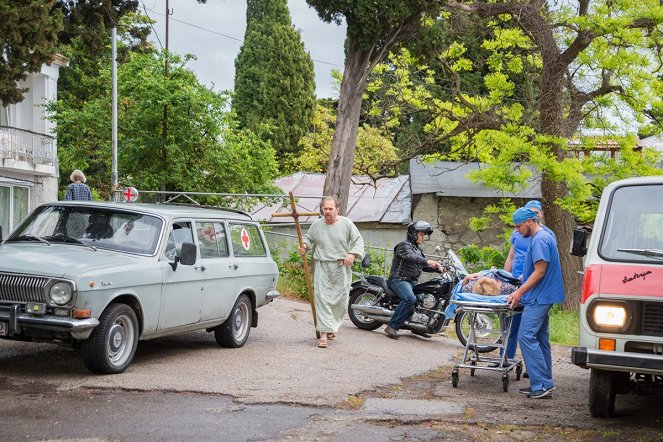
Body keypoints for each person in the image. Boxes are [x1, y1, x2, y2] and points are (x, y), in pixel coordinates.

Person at [507, 207, 564, 399]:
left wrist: (519, 292)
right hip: (542, 295)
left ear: (530, 222)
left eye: (518, 226)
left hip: (539, 297)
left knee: (526, 336)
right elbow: (537, 269)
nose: (517, 231)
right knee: (539, 338)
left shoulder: (539, 239)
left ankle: (541, 383)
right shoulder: (542, 237)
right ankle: (544, 383)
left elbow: (540, 271)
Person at [300, 197, 364, 349]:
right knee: (322, 300)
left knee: (340, 303)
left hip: (341, 267)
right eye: (325, 209)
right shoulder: (316, 225)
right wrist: (304, 246)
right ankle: (323, 336)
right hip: (322, 267)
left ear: (337, 210)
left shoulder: (347, 223)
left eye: (330, 209)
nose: (327, 212)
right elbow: (308, 238)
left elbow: (358, 240)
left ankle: (331, 327)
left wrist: (352, 254)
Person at [502, 200, 554, 363]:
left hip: (533, 287)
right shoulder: (519, 233)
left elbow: (541, 268)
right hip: (517, 282)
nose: (533, 214)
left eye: (536, 212)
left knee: (531, 334)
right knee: (511, 324)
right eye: (530, 211)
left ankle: (537, 372)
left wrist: (523, 284)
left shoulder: (543, 236)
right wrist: (506, 278)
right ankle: (506, 358)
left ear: (539, 215)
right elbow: (511, 256)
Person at [385, 221, 443, 340]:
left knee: (422, 302)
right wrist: (428, 261)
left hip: (411, 282)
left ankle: (417, 327)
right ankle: (392, 326)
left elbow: (422, 265)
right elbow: (411, 257)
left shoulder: (417, 249)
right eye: (421, 234)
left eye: (424, 235)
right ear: (413, 233)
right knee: (409, 299)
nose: (423, 237)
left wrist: (438, 269)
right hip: (399, 279)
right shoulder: (404, 246)